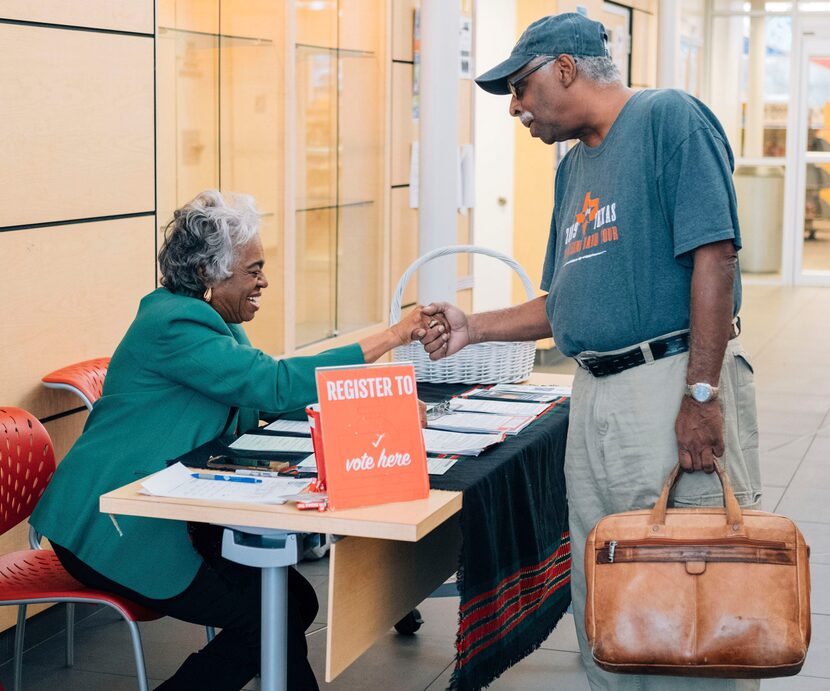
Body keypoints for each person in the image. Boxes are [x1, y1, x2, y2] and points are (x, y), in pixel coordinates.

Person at [419, 13, 761, 691]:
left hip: (668, 382)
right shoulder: (572, 169)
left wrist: (701, 394)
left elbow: (714, 259)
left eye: (520, 88)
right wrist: (472, 327)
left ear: (566, 69)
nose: (515, 108)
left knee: (687, 598)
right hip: (594, 396)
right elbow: (564, 301)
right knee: (607, 594)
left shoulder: (670, 119)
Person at [31, 190, 437, 691]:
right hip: (111, 524)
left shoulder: (211, 322)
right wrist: (393, 336)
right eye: (253, 269)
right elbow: (273, 383)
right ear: (209, 274)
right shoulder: (174, 325)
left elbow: (264, 396)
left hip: (164, 511)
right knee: (266, 618)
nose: (263, 280)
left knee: (289, 604)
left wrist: (377, 406)